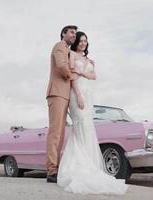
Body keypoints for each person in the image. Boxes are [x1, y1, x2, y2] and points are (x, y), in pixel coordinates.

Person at [57, 31, 129, 195]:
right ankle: (78, 165)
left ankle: (89, 163)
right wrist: (79, 95)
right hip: (77, 94)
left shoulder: (89, 60)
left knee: (88, 126)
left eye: (85, 41)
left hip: (89, 95)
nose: (83, 43)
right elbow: (72, 78)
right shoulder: (72, 55)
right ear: (76, 42)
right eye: (81, 40)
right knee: (80, 123)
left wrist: (82, 72)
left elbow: (94, 76)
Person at [45, 25, 78, 183]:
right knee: (55, 133)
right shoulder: (59, 46)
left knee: (61, 134)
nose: (74, 35)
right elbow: (61, 65)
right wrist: (72, 77)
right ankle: (51, 171)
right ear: (63, 34)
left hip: (65, 96)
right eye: (71, 32)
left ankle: (55, 169)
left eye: (75, 33)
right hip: (57, 93)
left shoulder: (69, 50)